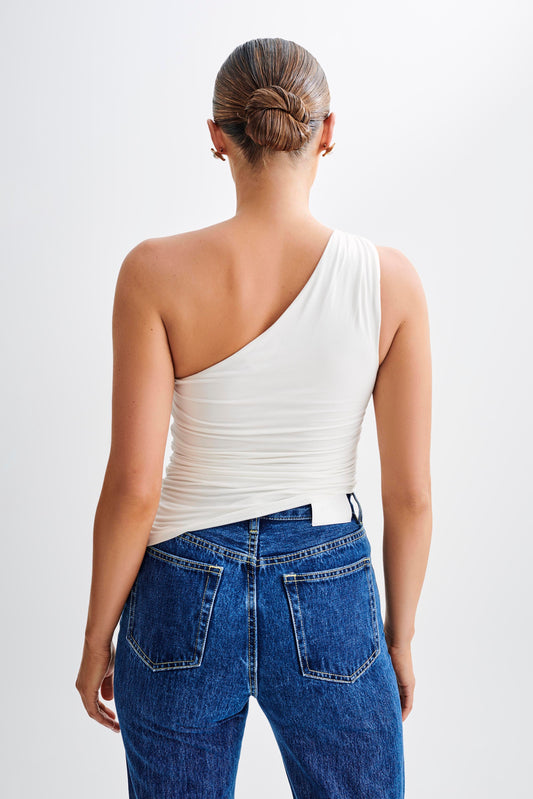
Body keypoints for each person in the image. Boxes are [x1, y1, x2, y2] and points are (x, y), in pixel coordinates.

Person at [75, 36, 432, 799]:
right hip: (327, 578)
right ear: (326, 131)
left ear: (217, 135)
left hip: (180, 583)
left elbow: (134, 486)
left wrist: (97, 634)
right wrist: (398, 637)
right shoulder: (390, 281)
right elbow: (409, 497)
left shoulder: (152, 273)